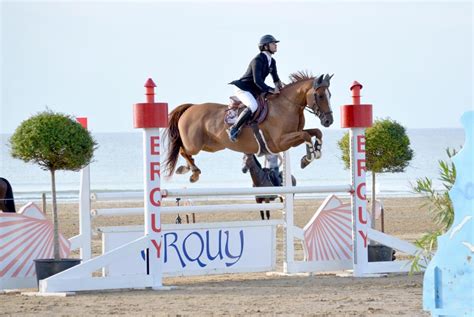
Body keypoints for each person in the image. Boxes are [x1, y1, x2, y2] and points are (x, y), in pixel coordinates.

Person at [228, 34, 283, 142]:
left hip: (254, 89)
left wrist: (280, 88)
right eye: (273, 43)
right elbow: (257, 81)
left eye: (275, 43)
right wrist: (271, 90)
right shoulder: (257, 60)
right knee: (253, 105)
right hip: (243, 88)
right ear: (265, 46)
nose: (275, 45)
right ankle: (234, 128)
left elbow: (276, 78)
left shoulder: (272, 61)